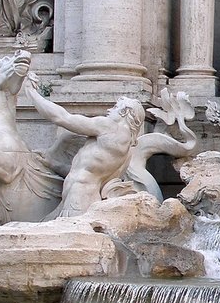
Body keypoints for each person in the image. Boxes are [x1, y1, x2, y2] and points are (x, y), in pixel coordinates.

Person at [23, 80, 145, 219]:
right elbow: (87, 170)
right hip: (83, 197)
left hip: (79, 198)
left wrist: (32, 93)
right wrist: (52, 164)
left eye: (115, 107)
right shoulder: (127, 148)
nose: (109, 111)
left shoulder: (109, 127)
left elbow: (61, 118)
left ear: (124, 112)